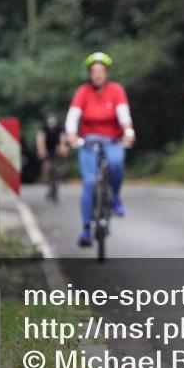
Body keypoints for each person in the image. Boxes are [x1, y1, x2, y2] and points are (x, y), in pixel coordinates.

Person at [65, 52, 136, 247]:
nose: (97, 75)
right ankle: (86, 229)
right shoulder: (83, 91)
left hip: (112, 140)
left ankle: (115, 197)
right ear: (89, 73)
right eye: (94, 71)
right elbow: (73, 116)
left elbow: (124, 115)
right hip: (89, 142)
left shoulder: (116, 90)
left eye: (101, 71)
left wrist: (128, 132)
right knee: (89, 183)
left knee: (116, 163)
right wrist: (72, 134)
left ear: (107, 73)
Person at [36, 113, 67, 202]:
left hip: (56, 148)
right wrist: (41, 151)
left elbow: (63, 140)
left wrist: (63, 149)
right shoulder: (44, 129)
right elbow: (40, 140)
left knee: (58, 166)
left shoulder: (60, 128)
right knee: (46, 167)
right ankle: (47, 183)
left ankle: (57, 182)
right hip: (47, 148)